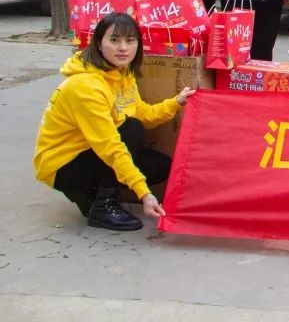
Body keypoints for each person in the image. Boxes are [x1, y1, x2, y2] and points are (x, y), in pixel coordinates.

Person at [33, 13, 195, 231]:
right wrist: (144, 193)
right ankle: (103, 204)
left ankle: (88, 195)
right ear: (99, 44)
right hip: (62, 164)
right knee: (131, 129)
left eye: (130, 40)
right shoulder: (86, 86)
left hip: (91, 151)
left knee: (160, 165)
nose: (123, 48)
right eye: (114, 40)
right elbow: (109, 145)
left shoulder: (122, 72)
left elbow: (141, 113)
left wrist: (176, 102)